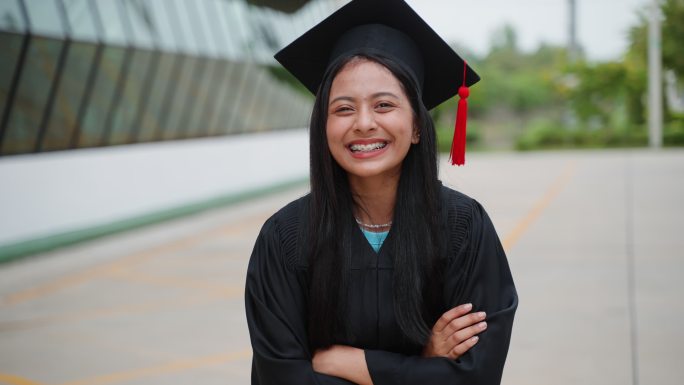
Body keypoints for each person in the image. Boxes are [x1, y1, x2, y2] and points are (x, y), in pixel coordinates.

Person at [244, 0, 518, 384]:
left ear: (418, 127)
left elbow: (477, 375)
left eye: (384, 105)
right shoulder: (286, 237)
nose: (364, 123)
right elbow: (283, 377)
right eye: (343, 109)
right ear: (323, 127)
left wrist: (359, 366)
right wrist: (425, 365)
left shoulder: (462, 229)